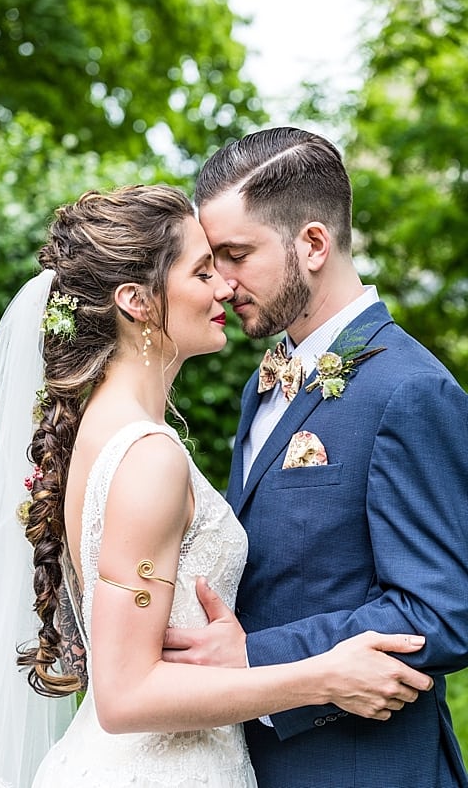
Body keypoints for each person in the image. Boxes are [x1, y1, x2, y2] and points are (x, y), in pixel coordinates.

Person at [0, 185, 431, 787]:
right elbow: (126, 696)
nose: (226, 286)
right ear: (137, 301)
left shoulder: (99, 428)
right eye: (203, 271)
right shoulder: (147, 456)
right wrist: (322, 676)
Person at [159, 126, 468, 785]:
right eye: (211, 261)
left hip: (363, 766)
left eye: (236, 255)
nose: (221, 283)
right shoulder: (262, 382)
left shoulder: (410, 389)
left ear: (314, 244)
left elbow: (443, 610)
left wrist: (256, 655)